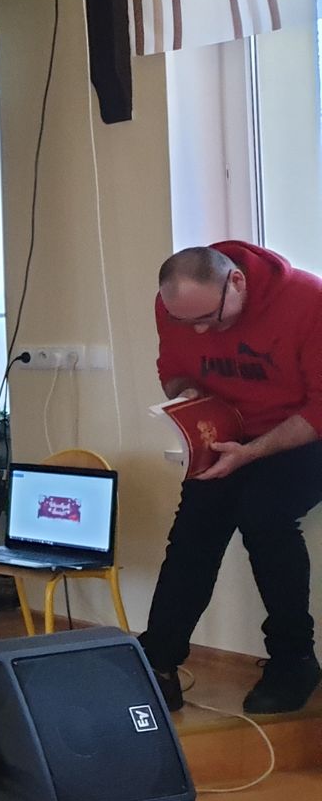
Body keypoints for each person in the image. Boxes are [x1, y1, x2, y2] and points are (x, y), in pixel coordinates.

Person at [142, 242, 322, 715]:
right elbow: (173, 371)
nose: (200, 330)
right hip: (231, 433)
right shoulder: (177, 305)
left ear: (236, 282)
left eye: (210, 318)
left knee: (264, 516)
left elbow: (320, 407)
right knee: (194, 528)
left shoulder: (309, 301)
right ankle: (158, 661)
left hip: (304, 434)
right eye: (186, 322)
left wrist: (252, 453)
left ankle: (295, 660)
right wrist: (189, 396)